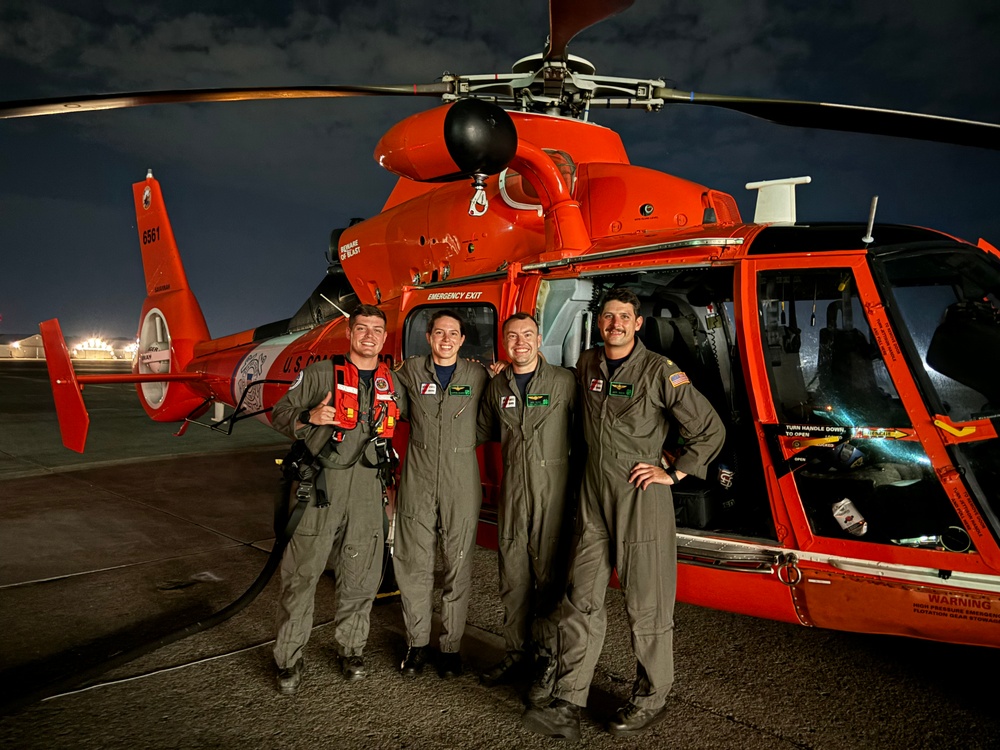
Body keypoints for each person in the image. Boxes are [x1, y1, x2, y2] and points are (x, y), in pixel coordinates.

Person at [523, 288, 725, 739]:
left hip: (640, 496)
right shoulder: (589, 364)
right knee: (581, 598)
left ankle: (652, 697)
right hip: (593, 497)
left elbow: (710, 429)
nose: (615, 323)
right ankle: (568, 699)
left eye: (624, 317)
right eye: (608, 316)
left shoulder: (660, 371)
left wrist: (673, 473)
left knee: (647, 605)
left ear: (637, 324)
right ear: (600, 323)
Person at [270, 303, 406, 695]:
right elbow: (281, 412)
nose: (369, 336)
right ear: (350, 334)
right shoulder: (319, 374)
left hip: (367, 490)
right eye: (361, 329)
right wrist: (309, 418)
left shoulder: (391, 382)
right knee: (302, 576)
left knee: (361, 578)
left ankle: (351, 649)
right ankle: (289, 659)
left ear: (384, 336)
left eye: (376, 330)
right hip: (321, 490)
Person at [476, 312, 577, 705]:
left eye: (528, 335)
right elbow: (480, 428)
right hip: (514, 496)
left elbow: (587, 433)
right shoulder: (497, 384)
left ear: (539, 339)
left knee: (550, 584)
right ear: (505, 343)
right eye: (513, 336)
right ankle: (516, 654)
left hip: (553, 495)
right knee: (513, 580)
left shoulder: (564, 382)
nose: (520, 342)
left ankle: (547, 663)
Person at [393, 310, 490, 678]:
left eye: (453, 333)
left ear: (462, 340)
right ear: (429, 337)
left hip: (461, 479)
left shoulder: (478, 375)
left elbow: (490, 417)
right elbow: (388, 395)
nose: (446, 339)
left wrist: (462, 444)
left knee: (457, 566)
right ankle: (416, 644)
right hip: (417, 478)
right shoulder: (411, 371)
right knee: (414, 565)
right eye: (439, 333)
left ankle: (450, 648)